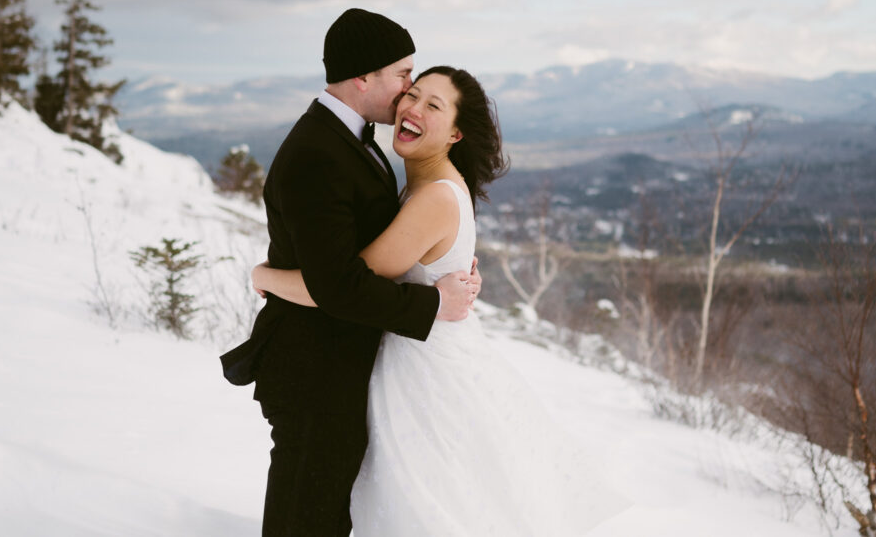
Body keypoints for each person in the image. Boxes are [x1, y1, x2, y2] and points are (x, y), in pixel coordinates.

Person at [253, 66, 629, 535]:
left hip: (425, 373)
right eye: (411, 95)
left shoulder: (432, 198)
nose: (412, 108)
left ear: (455, 133)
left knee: (431, 502)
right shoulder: (429, 186)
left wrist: (265, 275)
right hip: (421, 353)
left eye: (433, 105)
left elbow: (338, 287)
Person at [219, 9, 479, 537]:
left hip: (339, 363)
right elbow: (337, 284)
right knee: (305, 519)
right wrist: (434, 304)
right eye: (404, 74)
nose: (408, 90)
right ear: (365, 76)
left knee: (326, 515)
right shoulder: (319, 152)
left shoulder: (352, 140)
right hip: (314, 368)